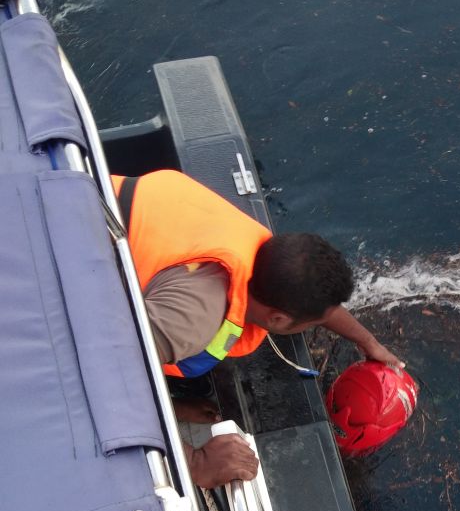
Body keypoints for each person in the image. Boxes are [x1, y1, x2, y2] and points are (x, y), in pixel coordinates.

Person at [114, 169, 403, 487]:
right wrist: (196, 462)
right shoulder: (197, 317)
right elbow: (111, 378)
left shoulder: (258, 249)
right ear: (278, 319)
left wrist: (368, 342)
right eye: (310, 322)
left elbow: (322, 305)